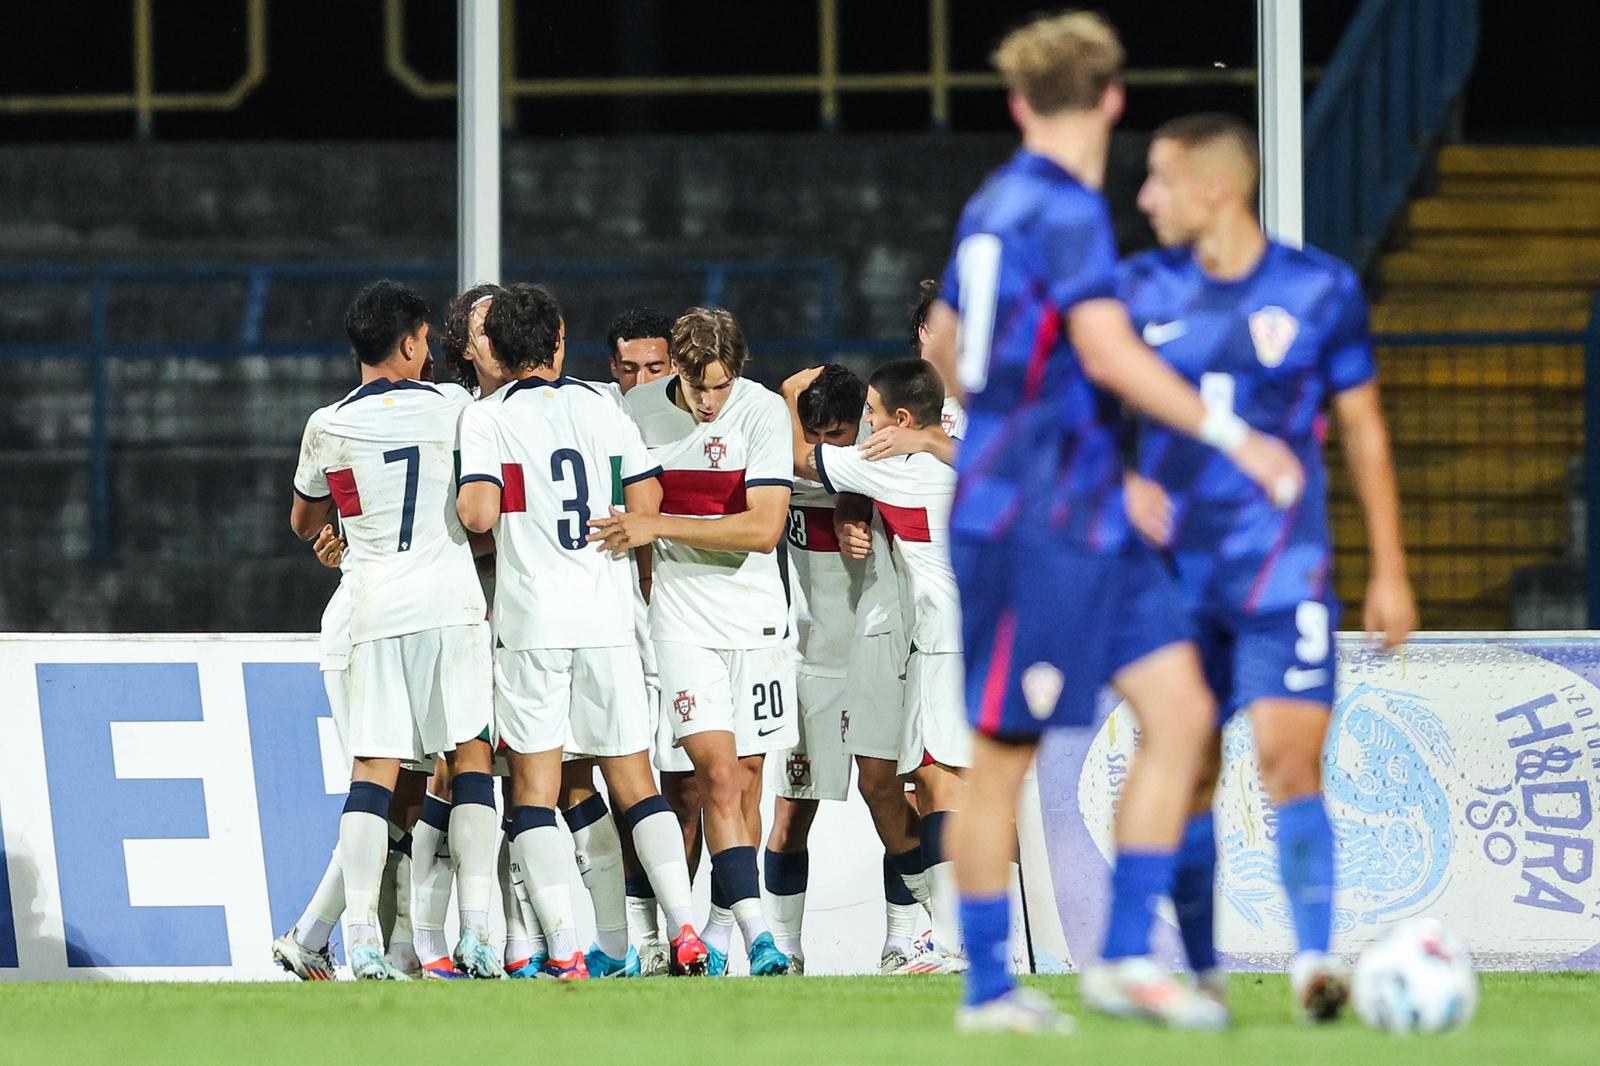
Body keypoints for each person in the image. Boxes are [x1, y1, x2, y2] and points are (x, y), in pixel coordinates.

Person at [918, 12, 1303, 1031]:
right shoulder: (1061, 209)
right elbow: (1109, 352)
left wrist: (1068, 446)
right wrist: (1234, 434)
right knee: (1000, 755)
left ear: (1015, 103)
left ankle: (1124, 956)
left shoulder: (992, 205)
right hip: (1028, 522)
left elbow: (951, 344)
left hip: (1080, 506)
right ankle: (988, 990)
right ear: (1114, 99)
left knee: (1179, 715)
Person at [1118, 112, 1416, 1021]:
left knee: (1293, 762)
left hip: (1284, 570)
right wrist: (1122, 478)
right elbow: (1078, 410)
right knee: (1193, 768)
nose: (1145, 199)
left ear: (1215, 188)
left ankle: (1315, 960)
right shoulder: (1135, 289)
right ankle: (1204, 970)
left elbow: (1362, 428)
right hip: (1171, 578)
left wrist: (1390, 568)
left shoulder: (1319, 288)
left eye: (1160, 180)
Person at [457, 283, 711, 980]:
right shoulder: (604, 406)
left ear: (500, 352)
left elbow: (478, 515)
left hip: (534, 621)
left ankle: (565, 949)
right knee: (635, 779)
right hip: (607, 616)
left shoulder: (486, 418)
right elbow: (646, 501)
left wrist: (508, 500)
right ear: (560, 340)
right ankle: (687, 930)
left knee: (536, 789)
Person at [289, 280, 500, 981]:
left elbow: (305, 521)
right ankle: (477, 934)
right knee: (468, 757)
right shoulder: (458, 407)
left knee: (374, 773)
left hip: (374, 609)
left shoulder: (328, 424)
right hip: (449, 602)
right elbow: (479, 508)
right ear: (412, 343)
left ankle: (360, 940)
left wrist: (345, 532)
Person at [592, 307, 795, 977]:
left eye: (721, 386)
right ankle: (761, 936)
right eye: (697, 386)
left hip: (759, 619)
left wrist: (661, 525)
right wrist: (653, 525)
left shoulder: (762, 413)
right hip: (680, 623)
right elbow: (630, 512)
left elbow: (764, 529)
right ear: (675, 370)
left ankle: (719, 933)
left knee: (750, 781)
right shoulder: (638, 409)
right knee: (717, 777)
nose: (709, 403)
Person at [785, 359, 968, 975]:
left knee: (939, 782)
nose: (865, 423)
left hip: (943, 640)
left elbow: (802, 459)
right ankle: (953, 933)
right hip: (969, 635)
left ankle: (948, 940)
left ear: (901, 420)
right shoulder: (957, 456)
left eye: (870, 413)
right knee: (942, 783)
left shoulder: (901, 467)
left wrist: (790, 397)